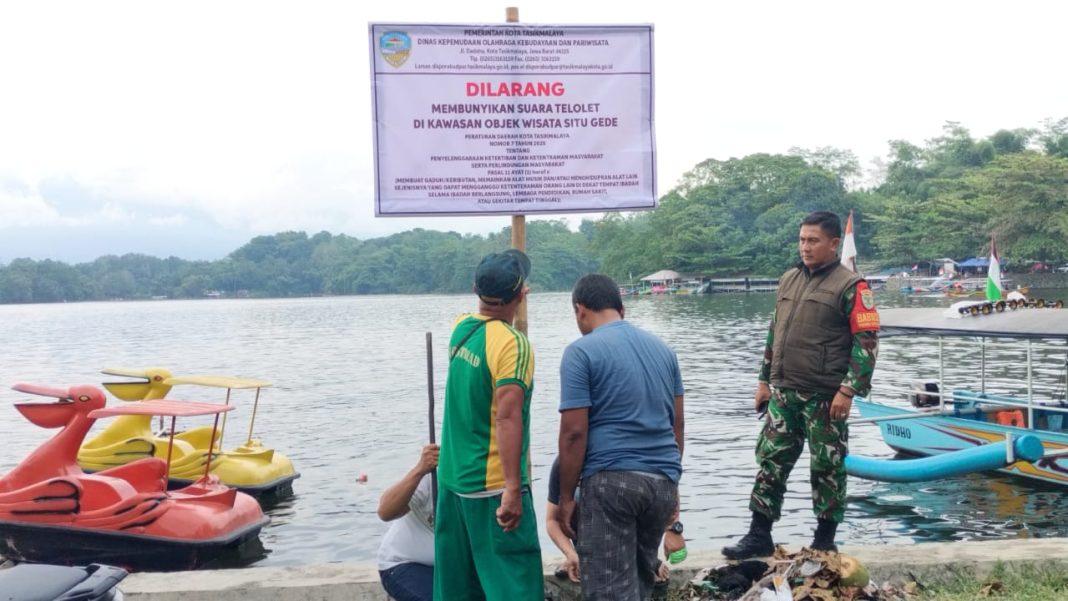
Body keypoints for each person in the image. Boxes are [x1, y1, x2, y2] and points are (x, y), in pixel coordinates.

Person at [723, 211, 880, 560]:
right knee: (770, 462)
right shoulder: (788, 279)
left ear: (834, 244)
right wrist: (764, 380)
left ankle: (824, 540)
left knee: (826, 467)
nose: (805, 247)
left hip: (825, 396)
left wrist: (848, 390)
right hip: (784, 392)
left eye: (813, 241)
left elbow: (866, 342)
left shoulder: (852, 286)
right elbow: (774, 332)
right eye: (802, 240)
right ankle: (758, 534)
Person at [557, 274, 685, 601]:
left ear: (580, 310)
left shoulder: (580, 352)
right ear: (621, 309)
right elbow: (677, 426)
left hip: (612, 484)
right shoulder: (664, 351)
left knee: (608, 591)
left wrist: (567, 496)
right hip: (661, 484)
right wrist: (672, 482)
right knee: (641, 582)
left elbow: (574, 433)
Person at [433, 249, 542, 601]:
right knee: (515, 588)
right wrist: (513, 490)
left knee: (460, 590)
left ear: (475, 289)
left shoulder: (460, 328)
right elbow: (507, 417)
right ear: (522, 293)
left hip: (453, 481)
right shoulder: (514, 346)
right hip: (492, 486)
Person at [544, 457, 680, 585]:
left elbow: (668, 482)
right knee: (582, 495)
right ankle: (585, 558)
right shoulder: (565, 461)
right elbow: (552, 520)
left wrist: (673, 528)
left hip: (632, 535)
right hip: (590, 540)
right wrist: (570, 554)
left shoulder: (624, 451)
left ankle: (643, 559)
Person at [377, 443, 439, 601]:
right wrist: (420, 469)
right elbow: (385, 511)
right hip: (405, 563)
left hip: (452, 566)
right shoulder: (431, 474)